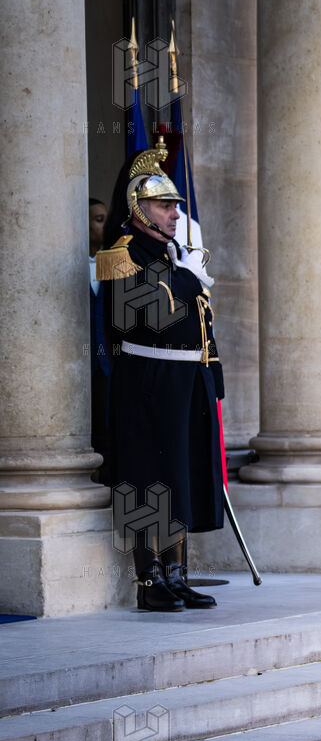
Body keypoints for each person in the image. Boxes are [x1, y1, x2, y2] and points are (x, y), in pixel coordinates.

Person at [96, 138, 222, 612]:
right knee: (147, 477)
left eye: (175, 205)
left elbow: (202, 323)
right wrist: (188, 279)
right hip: (146, 380)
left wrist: (213, 375)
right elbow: (147, 314)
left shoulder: (171, 255)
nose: (174, 214)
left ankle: (175, 574)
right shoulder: (123, 254)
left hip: (186, 380)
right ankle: (148, 580)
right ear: (139, 207)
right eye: (165, 205)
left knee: (180, 475)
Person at [89, 198, 112, 475]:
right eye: (98, 220)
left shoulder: (114, 265)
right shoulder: (71, 263)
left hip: (108, 363)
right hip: (79, 364)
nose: (104, 226)